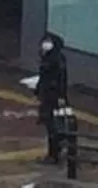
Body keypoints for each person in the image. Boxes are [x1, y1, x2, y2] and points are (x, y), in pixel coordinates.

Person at [36, 33, 71, 163]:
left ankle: (54, 154)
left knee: (53, 125)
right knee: (50, 124)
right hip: (47, 95)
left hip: (53, 96)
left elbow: (61, 79)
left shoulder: (57, 59)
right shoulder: (47, 57)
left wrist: (61, 95)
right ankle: (56, 150)